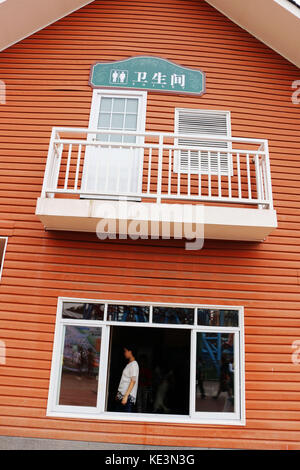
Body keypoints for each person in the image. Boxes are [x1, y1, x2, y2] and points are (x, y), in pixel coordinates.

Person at [115, 345, 139, 413]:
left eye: (125, 351)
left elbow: (133, 381)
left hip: (127, 398)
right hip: (122, 396)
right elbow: (124, 380)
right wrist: (119, 394)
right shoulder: (129, 364)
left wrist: (125, 396)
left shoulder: (134, 365)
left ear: (130, 351)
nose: (124, 353)